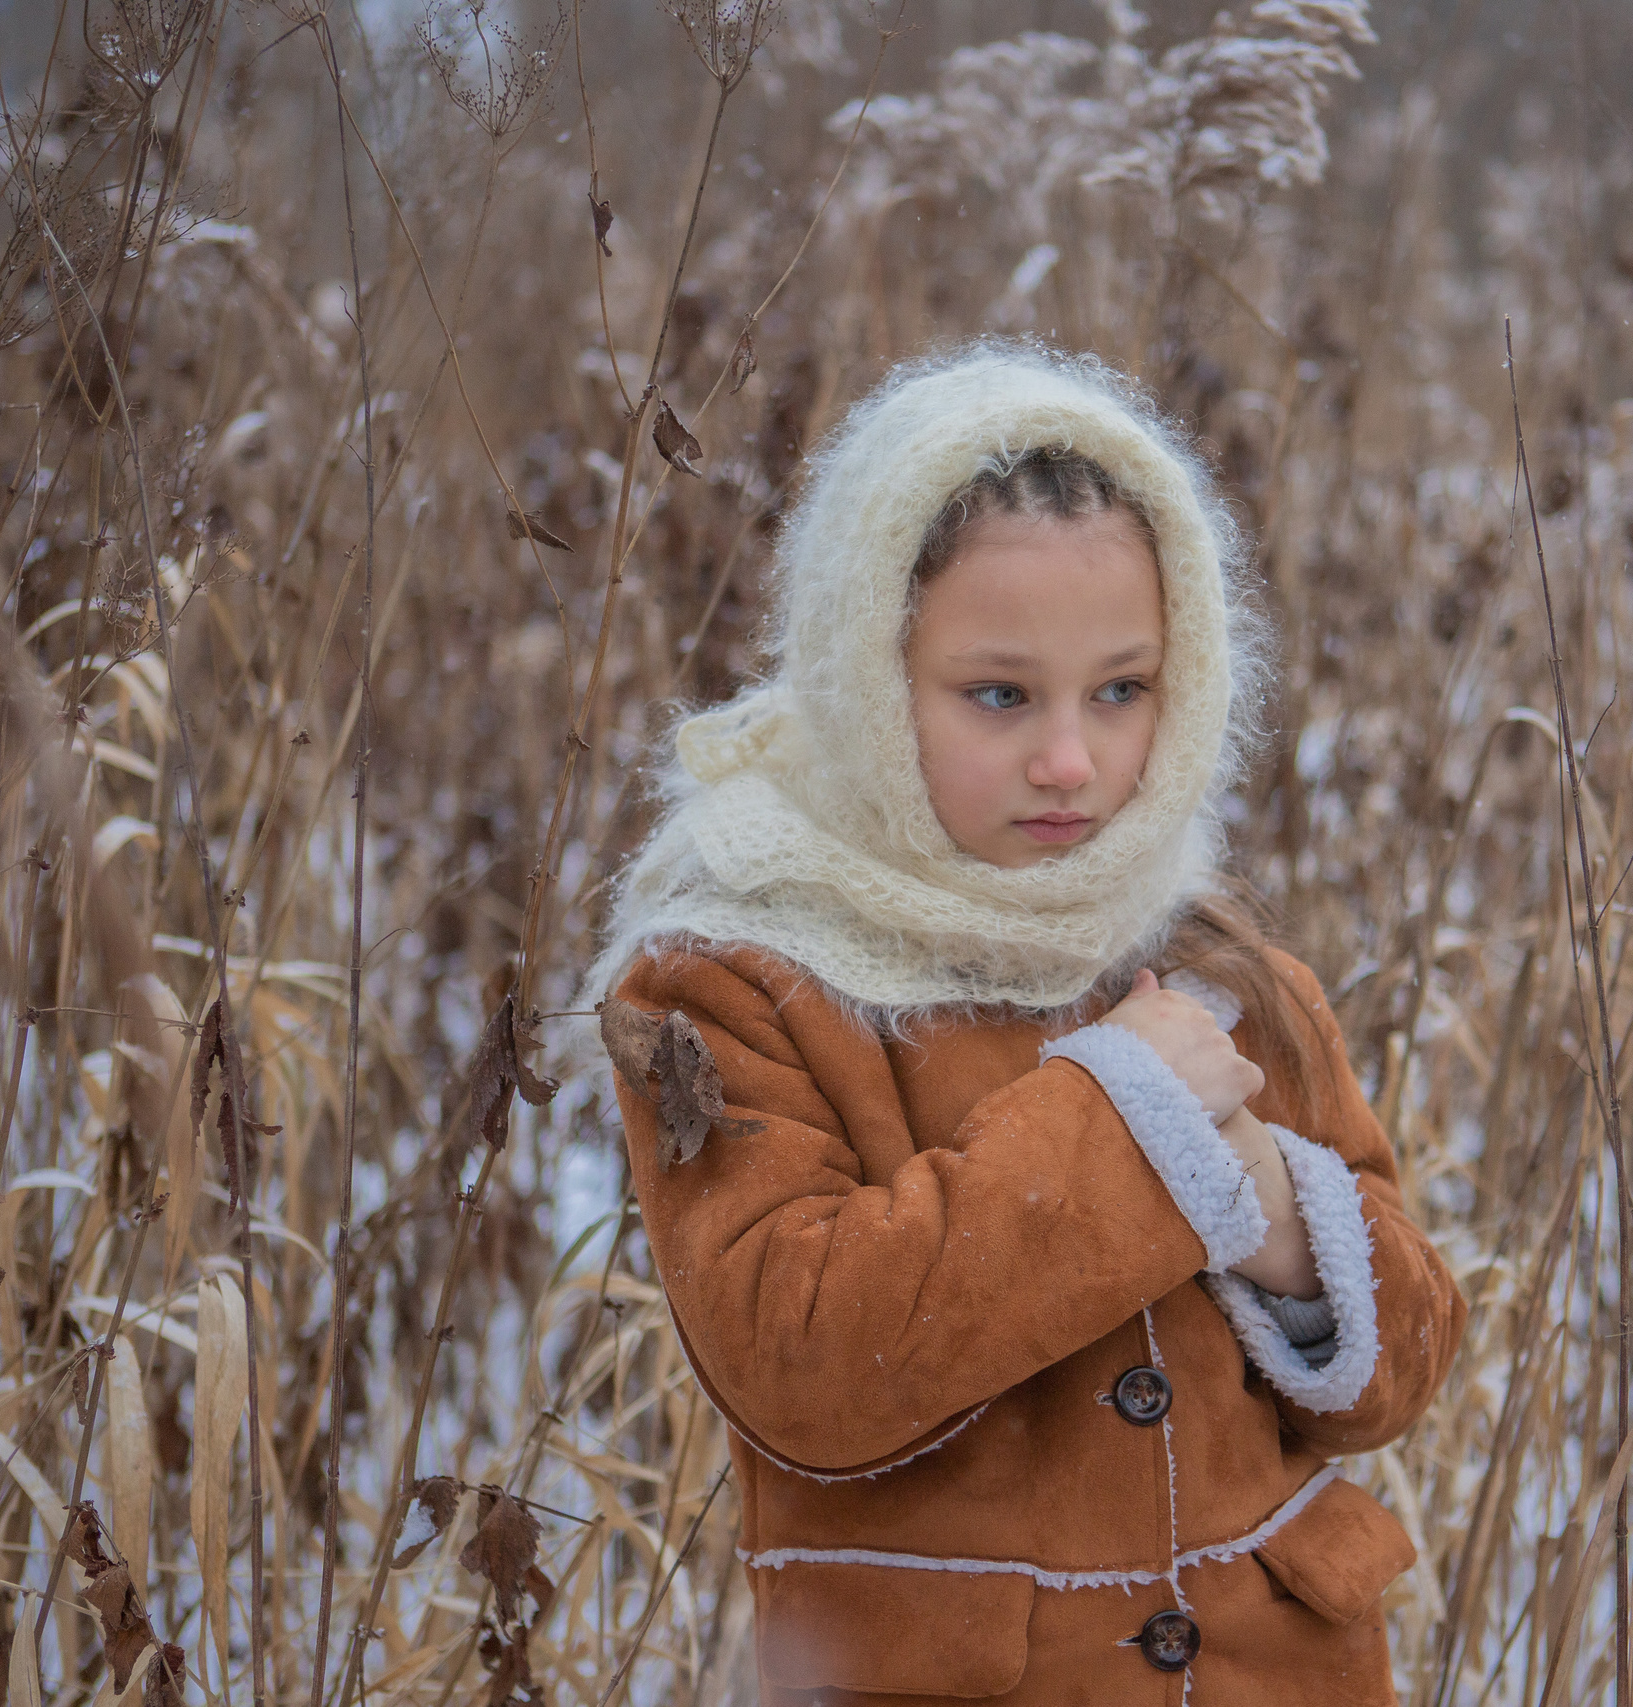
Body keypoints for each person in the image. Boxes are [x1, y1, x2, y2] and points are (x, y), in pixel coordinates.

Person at [590, 341, 1465, 1704]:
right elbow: (806, 1366)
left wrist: (1280, 1218)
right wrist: (1122, 1122)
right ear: (870, 676)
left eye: (1122, 690)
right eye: (999, 695)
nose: (1070, 761)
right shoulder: (734, 980)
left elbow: (1399, 1375)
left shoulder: (1215, 962)